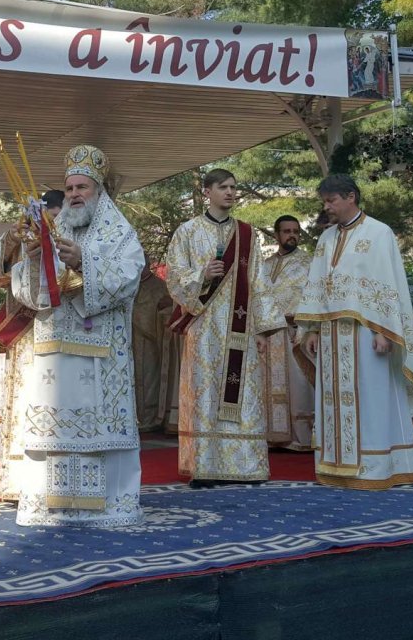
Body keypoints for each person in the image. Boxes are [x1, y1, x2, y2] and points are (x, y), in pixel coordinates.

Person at [8, 145, 145, 527]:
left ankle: (112, 506)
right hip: (55, 353)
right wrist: (34, 259)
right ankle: (50, 507)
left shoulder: (120, 232)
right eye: (69, 188)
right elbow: (25, 289)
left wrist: (84, 260)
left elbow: (129, 278)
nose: (74, 195)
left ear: (99, 192)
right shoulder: (53, 230)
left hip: (103, 354)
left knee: (102, 427)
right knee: (53, 423)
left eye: (82, 187)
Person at [296, 174, 413, 490]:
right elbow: (316, 285)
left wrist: (384, 331)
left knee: (372, 398)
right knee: (333, 401)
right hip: (331, 336)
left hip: (366, 333)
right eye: (325, 201)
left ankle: (377, 467)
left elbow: (387, 284)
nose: (326, 206)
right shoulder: (326, 238)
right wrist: (313, 329)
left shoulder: (378, 233)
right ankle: (335, 466)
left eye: (331, 200)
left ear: (350, 197)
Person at [166, 169, 282, 487]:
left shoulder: (247, 234)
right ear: (208, 192)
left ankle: (245, 466)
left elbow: (257, 281)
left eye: (233, 187)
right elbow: (174, 278)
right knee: (205, 392)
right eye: (223, 187)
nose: (230, 192)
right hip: (203, 327)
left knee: (242, 393)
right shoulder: (187, 232)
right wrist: (201, 275)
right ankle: (205, 466)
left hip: (239, 327)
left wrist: (263, 329)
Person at [0, 188, 63, 502]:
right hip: (27, 334)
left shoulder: (72, 237)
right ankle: (22, 480)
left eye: (55, 218)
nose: (51, 224)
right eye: (47, 217)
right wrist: (12, 241)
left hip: (62, 329)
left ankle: (60, 477)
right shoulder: (22, 236)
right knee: (27, 399)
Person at [258, 215, 316, 451]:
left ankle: (301, 439)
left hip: (295, 332)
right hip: (270, 335)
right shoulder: (266, 265)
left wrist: (305, 327)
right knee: (268, 386)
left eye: (295, 231)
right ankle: (273, 436)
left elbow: (313, 298)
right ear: (277, 235)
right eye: (286, 231)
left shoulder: (309, 263)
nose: (292, 235)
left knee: (299, 386)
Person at [130, 266, 171, 431]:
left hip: (150, 342)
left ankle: (149, 417)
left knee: (148, 378)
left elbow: (165, 310)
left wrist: (136, 316)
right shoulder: (129, 284)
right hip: (129, 339)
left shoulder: (160, 286)